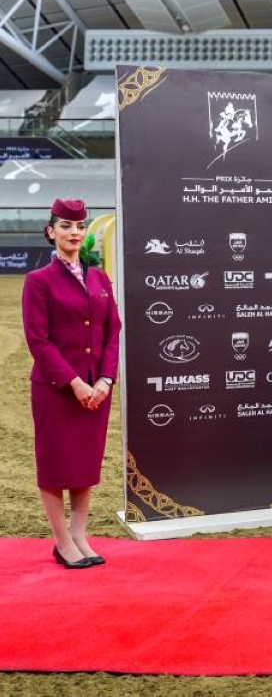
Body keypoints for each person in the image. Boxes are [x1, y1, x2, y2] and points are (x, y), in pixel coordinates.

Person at [22, 199, 121, 569]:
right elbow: (38, 340)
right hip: (56, 390)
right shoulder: (38, 281)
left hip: (97, 389)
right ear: (51, 232)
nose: (74, 233)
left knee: (84, 463)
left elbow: (113, 331)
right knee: (55, 465)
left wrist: (106, 379)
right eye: (65, 226)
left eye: (79, 226)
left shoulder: (99, 278)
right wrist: (75, 382)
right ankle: (62, 541)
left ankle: (80, 535)